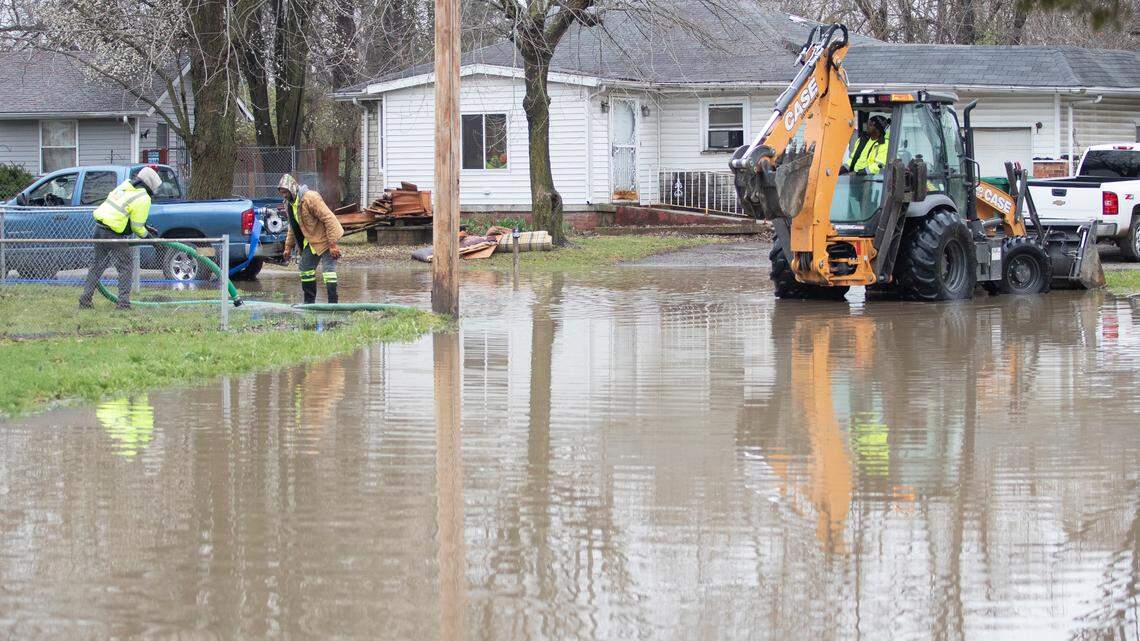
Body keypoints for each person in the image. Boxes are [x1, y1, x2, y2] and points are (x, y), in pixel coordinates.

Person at [78, 166, 162, 310]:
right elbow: (136, 227)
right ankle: (123, 304)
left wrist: (146, 227)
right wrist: (152, 240)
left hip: (99, 229)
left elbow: (124, 213)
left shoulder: (125, 186)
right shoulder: (143, 198)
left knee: (96, 267)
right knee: (125, 267)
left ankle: (85, 301)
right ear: (151, 185)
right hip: (114, 234)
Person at [279, 174, 344, 304]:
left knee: (328, 272)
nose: (284, 195)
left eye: (286, 192)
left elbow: (329, 218)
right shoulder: (289, 204)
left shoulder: (310, 197)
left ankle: (333, 304)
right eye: (282, 193)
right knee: (305, 269)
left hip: (326, 238)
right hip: (312, 240)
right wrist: (288, 247)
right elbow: (293, 226)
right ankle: (309, 303)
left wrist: (332, 245)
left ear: (292, 188)